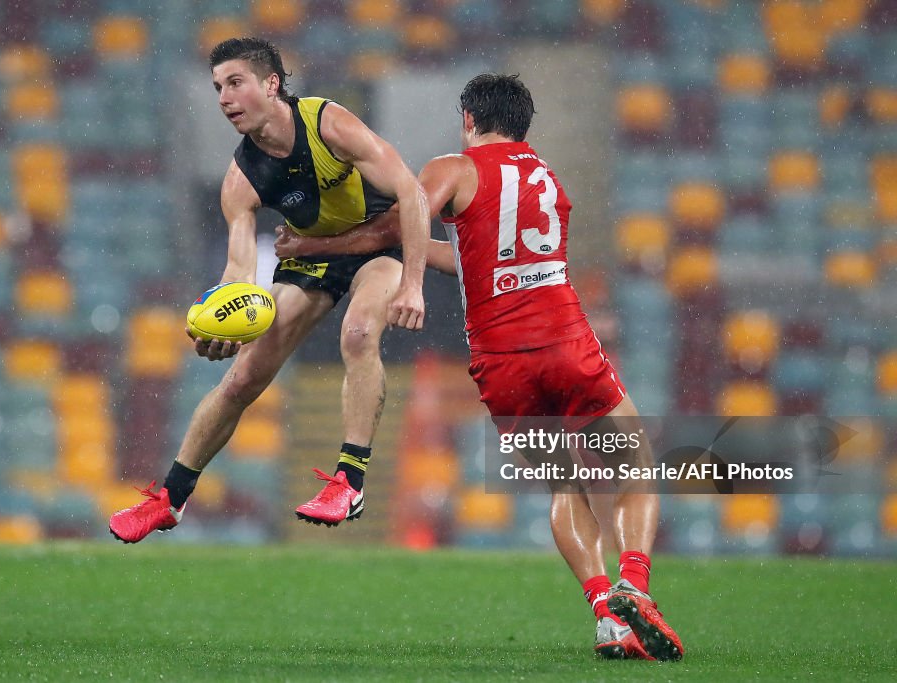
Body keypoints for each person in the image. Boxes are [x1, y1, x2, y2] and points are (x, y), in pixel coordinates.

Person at [274, 74, 684, 662]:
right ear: (523, 124)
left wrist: (319, 246)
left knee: (563, 483)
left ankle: (605, 615)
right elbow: (471, 256)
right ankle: (634, 586)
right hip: (564, 340)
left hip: (500, 360)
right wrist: (394, 249)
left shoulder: (454, 168)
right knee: (635, 466)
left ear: (468, 118)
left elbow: (402, 221)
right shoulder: (547, 179)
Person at [109, 38, 429, 542]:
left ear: (272, 83)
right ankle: (171, 499)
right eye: (218, 87)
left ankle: (349, 483)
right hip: (312, 257)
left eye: (235, 83)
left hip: (378, 246)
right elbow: (238, 270)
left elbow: (412, 191)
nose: (224, 98)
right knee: (241, 379)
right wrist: (221, 321)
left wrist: (413, 284)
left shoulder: (328, 123)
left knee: (358, 332)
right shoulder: (241, 180)